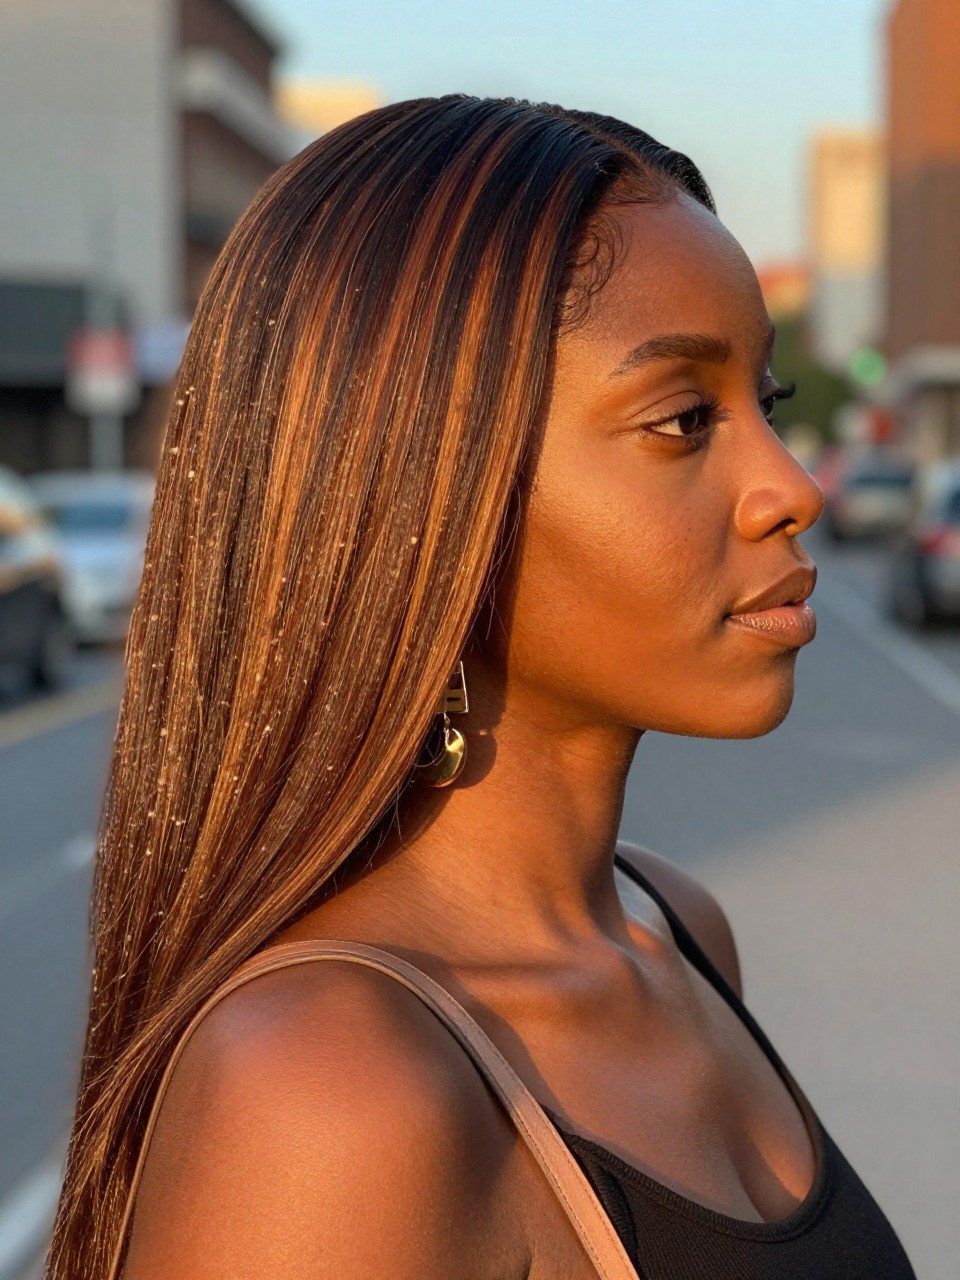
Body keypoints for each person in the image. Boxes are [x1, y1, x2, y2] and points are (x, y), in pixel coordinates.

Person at [47, 95, 916, 1279]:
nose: (791, 486)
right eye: (681, 418)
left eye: (768, 406)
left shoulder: (674, 926)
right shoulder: (327, 1088)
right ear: (414, 491)